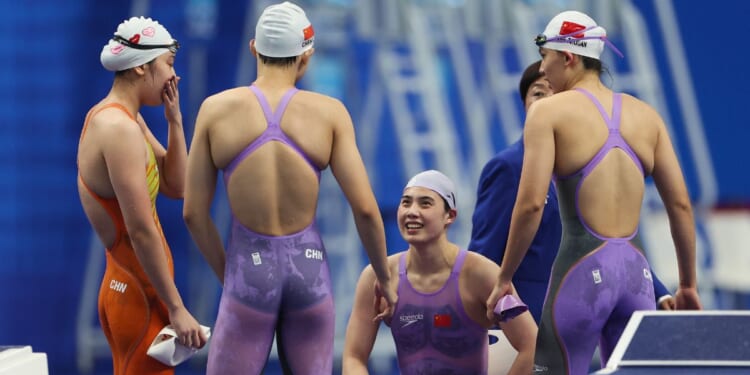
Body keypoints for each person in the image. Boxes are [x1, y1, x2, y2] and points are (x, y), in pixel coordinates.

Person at [182, 2, 396, 374]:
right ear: (306, 57)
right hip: (308, 272)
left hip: (248, 270)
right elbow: (365, 208)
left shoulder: (216, 110)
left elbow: (193, 213)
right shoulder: (329, 113)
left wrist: (230, 273)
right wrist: (385, 279)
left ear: (254, 49)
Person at [485, 11, 702, 375]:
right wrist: (687, 285)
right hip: (638, 278)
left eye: (546, 59)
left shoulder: (548, 113)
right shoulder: (646, 116)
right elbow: (680, 205)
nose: (545, 71)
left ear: (568, 57)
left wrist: (504, 277)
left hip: (581, 276)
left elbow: (531, 205)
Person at [469, 60, 675, 323]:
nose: (548, 104)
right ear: (525, 106)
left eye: (558, 95)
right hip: (528, 323)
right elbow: (482, 256)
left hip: (589, 316)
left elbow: (612, 242)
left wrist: (658, 293)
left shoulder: (591, 168)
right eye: (538, 94)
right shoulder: (508, 168)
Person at [77, 17, 206, 375]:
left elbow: (176, 186)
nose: (173, 76)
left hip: (141, 290)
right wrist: (176, 307)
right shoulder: (116, 128)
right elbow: (141, 229)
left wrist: (175, 121)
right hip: (137, 295)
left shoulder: (129, 120)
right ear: (140, 68)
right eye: (168, 64)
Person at [343, 170, 537, 375]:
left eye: (425, 203)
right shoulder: (378, 277)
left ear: (450, 216)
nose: (411, 211)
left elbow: (533, 346)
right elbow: (354, 357)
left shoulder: (481, 275)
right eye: (406, 203)